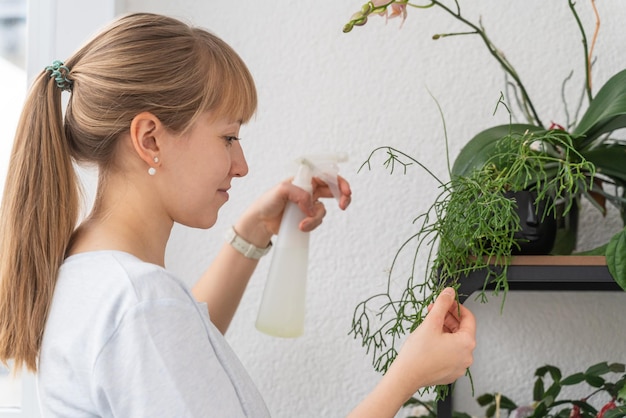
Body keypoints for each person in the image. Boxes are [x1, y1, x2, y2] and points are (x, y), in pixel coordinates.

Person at [0, 12, 476, 417]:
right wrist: (409, 375)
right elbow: (163, 328)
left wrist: (254, 232)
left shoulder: (89, 273)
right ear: (150, 139)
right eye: (228, 137)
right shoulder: (140, 303)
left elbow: (182, 349)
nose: (242, 165)